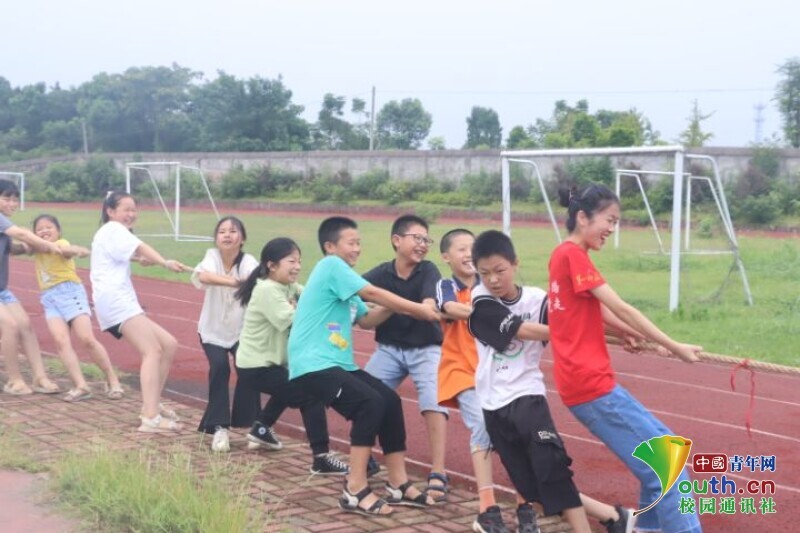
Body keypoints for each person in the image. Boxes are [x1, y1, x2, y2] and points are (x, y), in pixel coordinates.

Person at [548, 183, 703, 533]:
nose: (612, 229)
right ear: (583, 217)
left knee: (668, 453)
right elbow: (620, 307)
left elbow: (592, 310)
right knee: (667, 467)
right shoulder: (573, 255)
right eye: (610, 220)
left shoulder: (563, 254)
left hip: (587, 384)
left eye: (616, 222)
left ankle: (646, 528)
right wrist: (674, 346)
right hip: (591, 386)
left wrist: (623, 332)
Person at [468, 230, 634, 533]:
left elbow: (580, 318)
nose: (493, 279)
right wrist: (572, 330)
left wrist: (624, 334)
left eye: (500, 270)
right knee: (532, 488)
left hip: (528, 397)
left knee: (552, 468)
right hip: (492, 403)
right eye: (485, 272)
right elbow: (523, 331)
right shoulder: (481, 300)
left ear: (515, 264)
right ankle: (614, 517)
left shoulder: (538, 300)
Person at [288, 216, 440, 516]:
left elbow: (367, 319)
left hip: (337, 363)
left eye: (359, 243)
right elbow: (372, 293)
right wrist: (418, 310)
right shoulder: (331, 267)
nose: (357, 249)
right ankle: (355, 489)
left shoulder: (344, 279)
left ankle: (398, 483)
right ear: (330, 247)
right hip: (312, 363)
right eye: (352, 243)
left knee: (389, 401)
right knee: (369, 403)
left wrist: (402, 302)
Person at [234, 237, 348, 474]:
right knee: (311, 395)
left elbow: (313, 297)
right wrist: (311, 312)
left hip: (267, 364)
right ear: (271, 265)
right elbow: (295, 320)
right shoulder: (267, 289)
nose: (297, 266)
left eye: (299, 261)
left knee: (292, 381)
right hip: (256, 366)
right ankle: (321, 458)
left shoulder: (287, 286)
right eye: (291, 261)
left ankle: (262, 428)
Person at [362, 214, 449, 503]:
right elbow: (354, 292)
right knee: (363, 395)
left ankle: (438, 471)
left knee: (433, 402)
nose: (423, 244)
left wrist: (387, 303)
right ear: (396, 240)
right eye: (417, 238)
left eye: (427, 240)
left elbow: (428, 307)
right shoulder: (382, 273)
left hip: (425, 348)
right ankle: (365, 458)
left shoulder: (428, 270)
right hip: (389, 349)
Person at [90, 191, 190, 433]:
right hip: (116, 301)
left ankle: (151, 404)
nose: (131, 214)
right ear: (110, 211)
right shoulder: (113, 229)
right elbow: (140, 246)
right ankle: (150, 417)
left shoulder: (111, 232)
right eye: (126, 209)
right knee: (152, 351)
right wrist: (164, 262)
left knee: (168, 344)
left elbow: (130, 253)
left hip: (120, 300)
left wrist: (142, 259)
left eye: (134, 209)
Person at [435, 227, 509, 531]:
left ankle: (525, 503)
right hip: (461, 372)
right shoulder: (445, 285)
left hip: (493, 372)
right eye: (461, 249)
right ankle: (486, 508)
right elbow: (448, 307)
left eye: (472, 248)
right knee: (482, 424)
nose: (468, 254)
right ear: (446, 256)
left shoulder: (490, 286)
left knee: (511, 432)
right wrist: (483, 314)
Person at [30, 214, 123, 402]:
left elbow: (66, 250)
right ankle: (81, 385)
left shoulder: (61, 243)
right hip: (49, 298)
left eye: (49, 227)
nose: (44, 231)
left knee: (87, 339)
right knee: (60, 341)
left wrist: (76, 250)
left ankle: (112, 379)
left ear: (58, 231)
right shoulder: (37, 248)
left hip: (70, 293)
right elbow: (22, 240)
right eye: (39, 229)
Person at [192, 216, 261, 452]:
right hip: (212, 329)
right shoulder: (211, 256)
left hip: (241, 330)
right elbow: (204, 276)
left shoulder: (249, 261)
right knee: (220, 367)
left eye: (233, 231)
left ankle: (255, 427)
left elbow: (254, 280)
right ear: (216, 238)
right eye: (222, 231)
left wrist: (245, 281)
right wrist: (235, 282)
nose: (227, 235)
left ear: (242, 238)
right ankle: (220, 428)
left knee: (248, 369)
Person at [0, 181, 63, 396]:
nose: (12, 203)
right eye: (6, 199)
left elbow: (13, 248)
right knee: (10, 325)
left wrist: (30, 248)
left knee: (25, 325)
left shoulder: (4, 224)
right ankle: (14, 380)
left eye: (15, 199)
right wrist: (48, 245)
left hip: (2, 289)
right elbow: (23, 235)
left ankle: (39, 377)